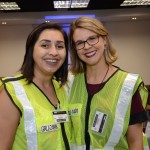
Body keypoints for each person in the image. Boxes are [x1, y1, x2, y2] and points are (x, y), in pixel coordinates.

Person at [67, 16, 148, 150]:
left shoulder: (127, 85)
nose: (87, 46)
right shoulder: (70, 83)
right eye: (79, 43)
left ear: (104, 40)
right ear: (75, 49)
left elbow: (135, 141)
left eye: (92, 38)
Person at [0, 22, 71, 150]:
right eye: (45, 45)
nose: (54, 52)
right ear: (31, 49)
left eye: (60, 46)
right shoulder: (11, 91)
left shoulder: (62, 89)